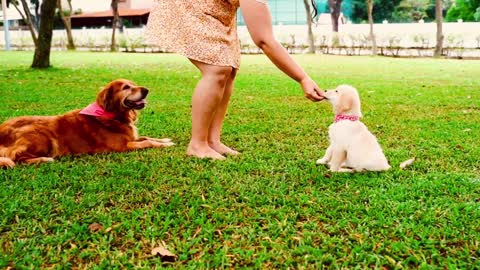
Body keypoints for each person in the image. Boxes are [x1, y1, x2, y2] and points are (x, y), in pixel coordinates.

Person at [145, 0, 325, 160]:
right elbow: (264, 40)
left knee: (228, 69)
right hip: (188, 7)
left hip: (218, 11)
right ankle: (197, 144)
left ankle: (212, 140)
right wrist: (302, 78)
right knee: (217, 68)